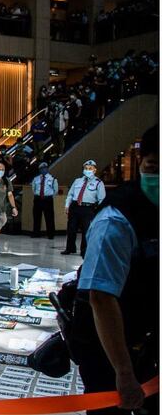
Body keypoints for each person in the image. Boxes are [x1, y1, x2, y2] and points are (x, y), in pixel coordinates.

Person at [69, 125, 158, 415]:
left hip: (146, 334)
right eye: (154, 166)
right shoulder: (116, 221)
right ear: (140, 163)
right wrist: (123, 372)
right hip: (108, 346)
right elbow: (101, 297)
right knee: (108, 406)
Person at [63, 160, 106, 257]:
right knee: (71, 228)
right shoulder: (77, 181)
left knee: (86, 230)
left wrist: (99, 212)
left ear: (95, 170)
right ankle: (70, 248)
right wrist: (67, 205)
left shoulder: (98, 183)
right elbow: (70, 194)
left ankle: (84, 250)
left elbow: (101, 199)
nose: (88, 170)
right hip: (75, 207)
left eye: (90, 169)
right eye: (86, 168)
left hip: (88, 209)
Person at [31, 162, 58, 239]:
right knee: (36, 217)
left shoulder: (52, 178)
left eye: (45, 168)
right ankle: (36, 233)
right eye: (42, 169)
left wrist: (49, 196)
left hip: (47, 200)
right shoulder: (36, 179)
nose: (43, 170)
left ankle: (51, 234)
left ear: (47, 169)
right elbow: (34, 189)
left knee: (49, 217)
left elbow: (55, 190)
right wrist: (38, 195)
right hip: (38, 199)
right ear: (40, 170)